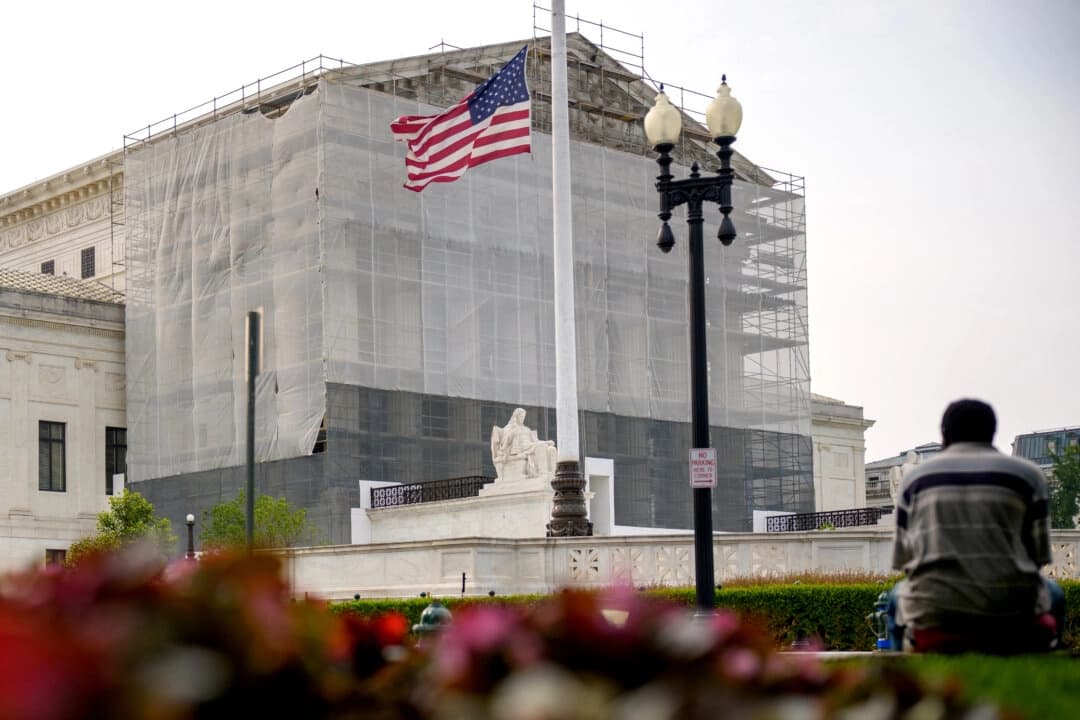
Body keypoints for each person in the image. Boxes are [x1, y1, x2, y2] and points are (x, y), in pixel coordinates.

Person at [885, 398, 1065, 653]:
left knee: (895, 599)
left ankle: (901, 673)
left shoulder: (916, 480)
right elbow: (1038, 557)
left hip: (935, 612)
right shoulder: (1027, 475)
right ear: (992, 433)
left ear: (944, 435)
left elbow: (904, 560)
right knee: (1054, 594)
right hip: (1012, 613)